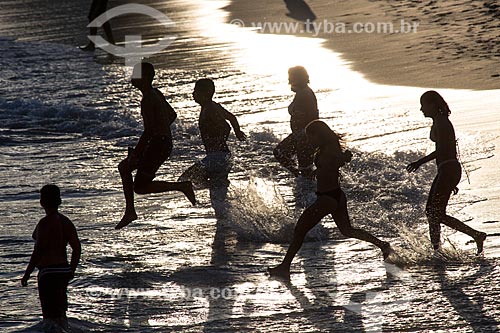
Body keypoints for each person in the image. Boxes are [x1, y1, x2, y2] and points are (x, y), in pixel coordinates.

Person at [269, 120, 392, 280]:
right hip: (337, 196)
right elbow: (332, 165)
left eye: (310, 137)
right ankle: (382, 245)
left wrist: (342, 160)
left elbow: (335, 162)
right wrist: (319, 171)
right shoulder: (328, 147)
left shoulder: (328, 150)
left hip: (326, 199)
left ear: (319, 135)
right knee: (347, 231)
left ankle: (285, 267)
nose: (309, 141)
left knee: (300, 230)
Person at [116, 62, 196, 229]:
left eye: (136, 74)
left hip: (158, 145)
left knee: (139, 185)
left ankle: (181, 187)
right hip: (162, 143)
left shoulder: (147, 99)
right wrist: (163, 129)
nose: (132, 77)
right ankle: (130, 211)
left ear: (144, 78)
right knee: (125, 169)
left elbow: (149, 131)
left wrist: (137, 153)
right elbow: (172, 115)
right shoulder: (156, 93)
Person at [407, 91, 487, 254]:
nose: (421, 109)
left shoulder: (442, 122)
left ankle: (475, 235)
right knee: (432, 212)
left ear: (433, 105)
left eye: (424, 105)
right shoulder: (438, 121)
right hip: (446, 170)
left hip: (449, 169)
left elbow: (442, 149)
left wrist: (419, 162)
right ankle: (437, 250)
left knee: (435, 213)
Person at [21, 185, 81, 329]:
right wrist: (71, 269)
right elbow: (77, 248)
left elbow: (38, 251)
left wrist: (27, 274)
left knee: (49, 318)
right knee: (61, 314)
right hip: (63, 271)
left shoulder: (44, 223)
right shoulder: (66, 222)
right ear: (59, 201)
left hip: (48, 272)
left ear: (42, 202)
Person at [178, 78, 246, 189]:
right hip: (222, 157)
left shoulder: (209, 109)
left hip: (216, 158)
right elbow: (232, 118)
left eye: (196, 91)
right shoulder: (213, 106)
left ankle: (217, 186)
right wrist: (237, 132)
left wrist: (219, 140)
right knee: (218, 193)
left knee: (184, 180)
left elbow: (226, 127)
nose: (193, 93)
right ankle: (221, 188)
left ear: (206, 93)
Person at [274, 66, 319, 178]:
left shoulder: (304, 94)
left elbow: (311, 116)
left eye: (291, 78)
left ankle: (308, 188)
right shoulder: (302, 92)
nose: (289, 81)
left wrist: (305, 137)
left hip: (305, 136)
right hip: (300, 135)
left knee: (304, 169)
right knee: (281, 153)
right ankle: (300, 178)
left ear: (299, 78)